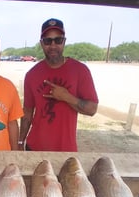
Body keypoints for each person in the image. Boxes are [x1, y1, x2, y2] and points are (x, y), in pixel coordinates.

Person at [18, 18, 99, 152]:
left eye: (58, 40)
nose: (53, 45)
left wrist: (66, 97)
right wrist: (20, 141)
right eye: (48, 41)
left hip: (65, 151)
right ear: (42, 44)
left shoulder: (80, 70)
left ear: (64, 41)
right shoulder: (32, 75)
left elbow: (92, 109)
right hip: (35, 148)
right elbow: (27, 113)